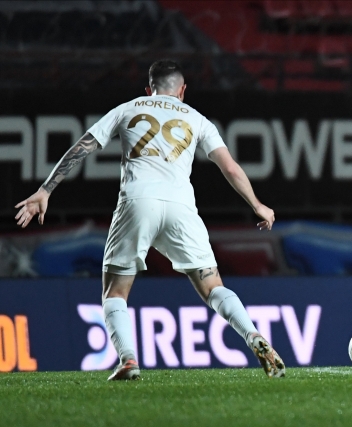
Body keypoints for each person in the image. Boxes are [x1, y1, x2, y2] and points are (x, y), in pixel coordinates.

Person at [15, 60, 286, 379]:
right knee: (213, 287)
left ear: (149, 89)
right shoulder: (197, 119)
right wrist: (257, 204)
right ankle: (253, 335)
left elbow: (83, 146)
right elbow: (229, 168)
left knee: (115, 292)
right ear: (182, 90)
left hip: (137, 202)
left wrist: (46, 190)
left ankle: (128, 360)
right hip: (181, 207)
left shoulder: (128, 108)